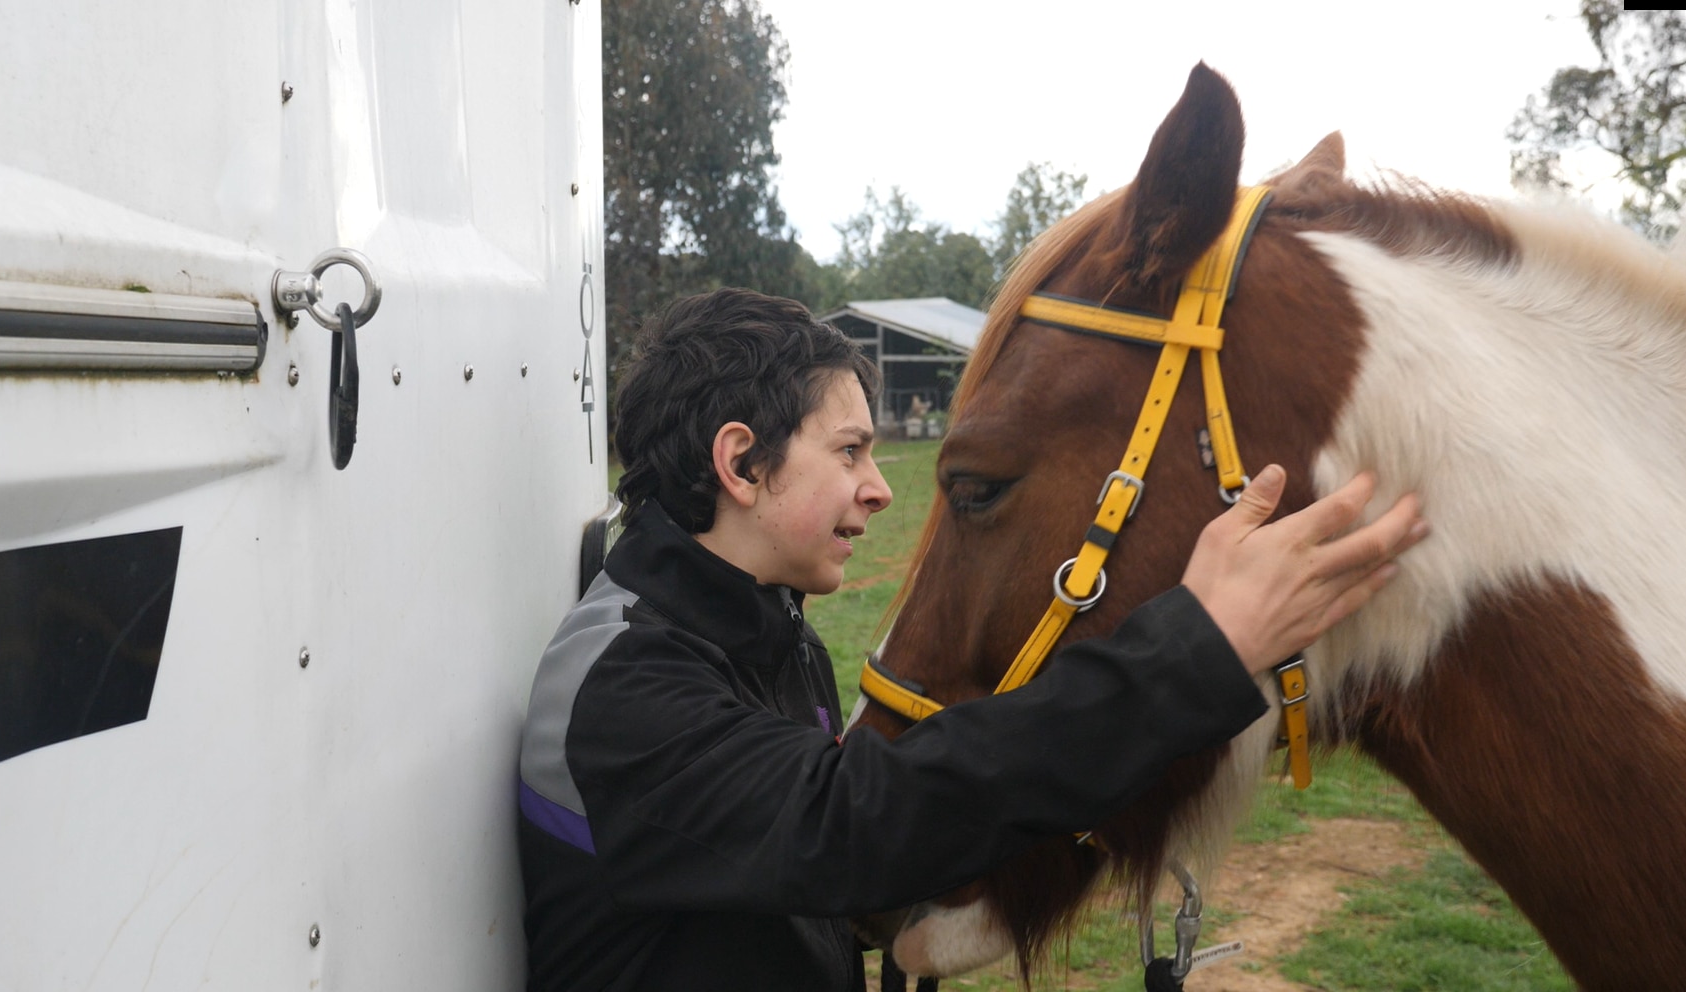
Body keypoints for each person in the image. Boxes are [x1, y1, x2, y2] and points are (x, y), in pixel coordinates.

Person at [516, 288, 1426, 991]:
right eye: (848, 453)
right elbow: (846, 823)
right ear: (741, 465)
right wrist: (1201, 646)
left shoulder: (755, 629)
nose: (877, 487)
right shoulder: (623, 685)